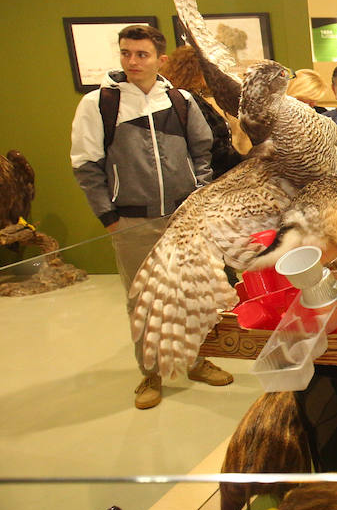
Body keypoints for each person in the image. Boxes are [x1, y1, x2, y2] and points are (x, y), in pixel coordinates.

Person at [69, 23, 232, 409]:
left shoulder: (181, 101)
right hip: (131, 221)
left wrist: (198, 199)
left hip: (183, 218)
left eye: (141, 54)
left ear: (160, 59)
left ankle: (194, 360)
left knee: (190, 290)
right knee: (142, 298)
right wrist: (109, 216)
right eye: (126, 53)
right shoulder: (98, 104)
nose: (131, 61)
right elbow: (85, 164)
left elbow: (202, 151)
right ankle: (151, 374)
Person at [164, 45, 243, 179]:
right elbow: (212, 146)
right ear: (200, 71)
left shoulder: (180, 100)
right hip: (212, 177)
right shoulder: (190, 103)